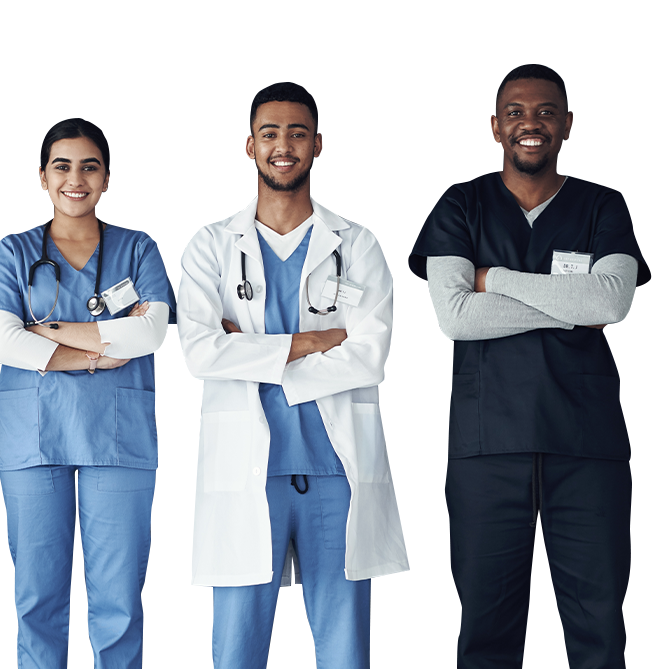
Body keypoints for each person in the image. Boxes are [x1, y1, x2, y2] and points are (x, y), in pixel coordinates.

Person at [408, 64, 651, 669]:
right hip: (488, 448)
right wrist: (569, 307)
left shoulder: (602, 205)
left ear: (566, 124)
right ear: (496, 127)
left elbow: (611, 301)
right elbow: (457, 318)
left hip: (587, 448)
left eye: (545, 112)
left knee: (600, 632)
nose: (530, 124)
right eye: (516, 112)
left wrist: (496, 280)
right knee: (485, 635)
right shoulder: (460, 205)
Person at [177, 81, 409, 669]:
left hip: (336, 472)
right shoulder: (211, 245)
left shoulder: (356, 245)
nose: (284, 145)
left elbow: (370, 357)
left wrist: (253, 354)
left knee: (345, 650)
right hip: (247, 473)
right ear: (249, 145)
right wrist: (307, 344)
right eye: (271, 133)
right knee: (235, 651)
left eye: (298, 133)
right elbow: (200, 355)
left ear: (318, 144)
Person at [0, 117, 174, 668]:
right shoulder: (14, 252)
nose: (75, 178)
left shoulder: (139, 249)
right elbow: (3, 344)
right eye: (62, 165)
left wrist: (48, 331)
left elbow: (151, 333)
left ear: (107, 178)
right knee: (37, 601)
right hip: (35, 446)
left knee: (119, 604)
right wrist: (96, 357)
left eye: (89, 166)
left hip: (119, 444)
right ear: (42, 176)